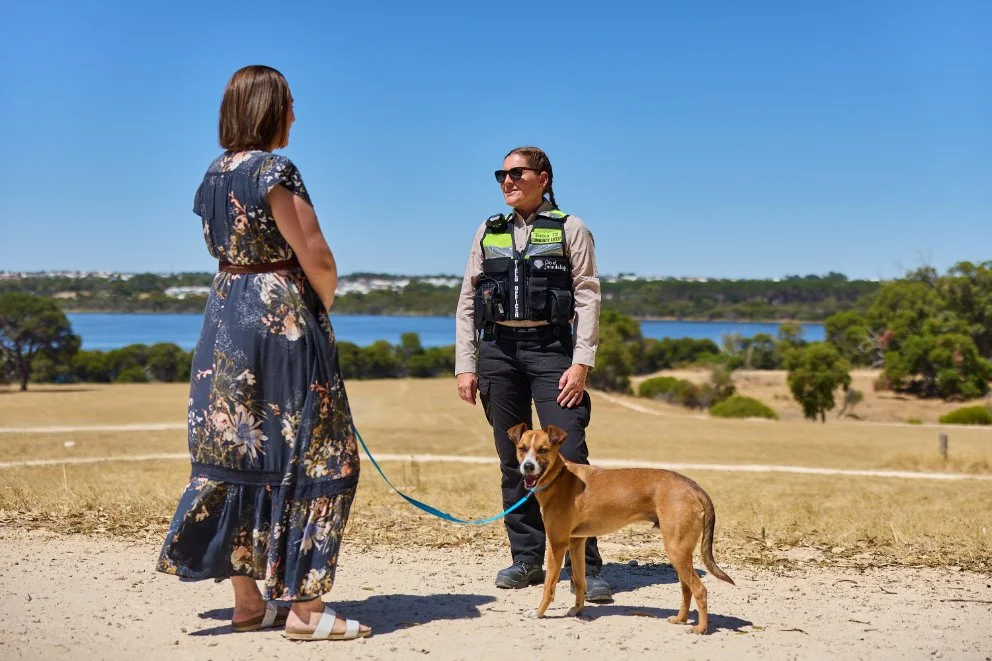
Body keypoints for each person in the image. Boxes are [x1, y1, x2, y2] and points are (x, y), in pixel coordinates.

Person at [157, 65, 371, 641]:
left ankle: (249, 603)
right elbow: (318, 258)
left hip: (225, 316)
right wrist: (316, 312)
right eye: (290, 104)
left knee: (237, 453)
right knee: (321, 454)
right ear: (268, 109)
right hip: (280, 320)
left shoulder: (212, 174)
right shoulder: (276, 169)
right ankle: (306, 610)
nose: (296, 115)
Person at [454, 146, 612, 602]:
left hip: (551, 350)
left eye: (516, 173)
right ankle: (526, 557)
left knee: (572, 453)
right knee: (513, 455)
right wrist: (467, 364)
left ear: (542, 178)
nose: (507, 180)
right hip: (498, 351)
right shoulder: (489, 230)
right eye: (501, 174)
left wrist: (581, 362)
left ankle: (588, 564)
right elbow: (468, 300)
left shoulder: (570, 228)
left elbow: (588, 296)